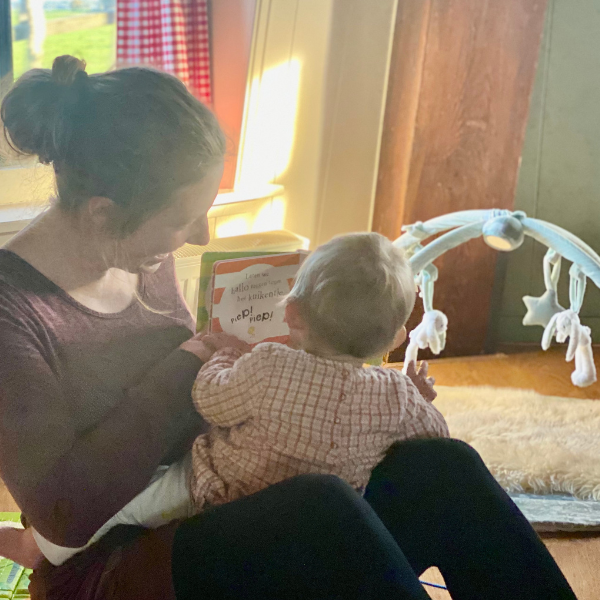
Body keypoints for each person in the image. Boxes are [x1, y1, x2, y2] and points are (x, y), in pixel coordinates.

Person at [0, 55, 577, 600]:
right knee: (318, 506)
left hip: (215, 499)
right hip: (109, 563)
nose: (200, 236)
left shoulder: (131, 252)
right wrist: (190, 365)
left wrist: (308, 378)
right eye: (183, 220)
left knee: (442, 469)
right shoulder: (12, 313)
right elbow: (64, 517)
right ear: (103, 213)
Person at [2, 232, 448, 568]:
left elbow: (210, 401)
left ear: (291, 314)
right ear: (394, 337)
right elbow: (436, 438)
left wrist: (220, 358)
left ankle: (35, 549)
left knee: (116, 509)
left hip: (214, 495)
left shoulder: (270, 363)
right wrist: (417, 394)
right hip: (317, 531)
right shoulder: (395, 398)